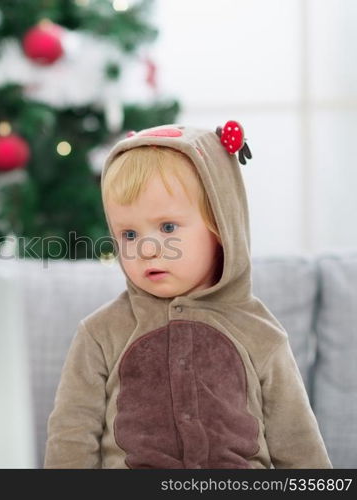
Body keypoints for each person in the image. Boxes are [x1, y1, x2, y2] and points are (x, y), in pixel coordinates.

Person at [44, 122, 332, 469]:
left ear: (220, 228)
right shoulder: (101, 333)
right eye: (130, 234)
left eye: (167, 228)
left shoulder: (260, 333)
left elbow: (299, 445)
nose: (147, 249)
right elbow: (71, 436)